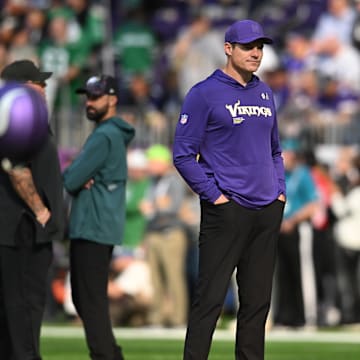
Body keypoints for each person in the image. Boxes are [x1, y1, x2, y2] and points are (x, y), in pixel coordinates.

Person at [173, 19, 286, 360]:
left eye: (260, 47)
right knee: (209, 300)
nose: (256, 53)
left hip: (266, 210)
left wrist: (279, 191)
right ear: (228, 49)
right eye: (249, 46)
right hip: (227, 210)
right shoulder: (204, 93)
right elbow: (182, 154)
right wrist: (215, 196)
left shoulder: (264, 92)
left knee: (256, 304)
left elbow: (275, 150)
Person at [62, 74, 135, 360]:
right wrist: (78, 171)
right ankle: (110, 354)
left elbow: (70, 178)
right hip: (98, 225)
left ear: (113, 99)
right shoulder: (111, 133)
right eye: (88, 97)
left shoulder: (104, 135)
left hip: (92, 225)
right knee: (87, 299)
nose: (89, 103)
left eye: (96, 96)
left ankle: (107, 356)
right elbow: (78, 175)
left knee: (89, 302)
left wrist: (74, 169)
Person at [0, 59, 65, 360]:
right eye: (38, 82)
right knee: (25, 308)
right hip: (21, 229)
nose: (43, 86)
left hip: (13, 229)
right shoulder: (18, 113)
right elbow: (16, 168)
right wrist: (41, 210)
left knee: (11, 312)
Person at [140, 144, 188, 327]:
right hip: (154, 233)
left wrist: (158, 207)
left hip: (171, 234)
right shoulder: (153, 181)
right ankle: (156, 317)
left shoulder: (175, 181)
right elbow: (149, 205)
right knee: (155, 278)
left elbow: (174, 207)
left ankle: (178, 318)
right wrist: (157, 206)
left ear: (163, 162)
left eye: (153, 162)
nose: (149, 166)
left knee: (174, 277)